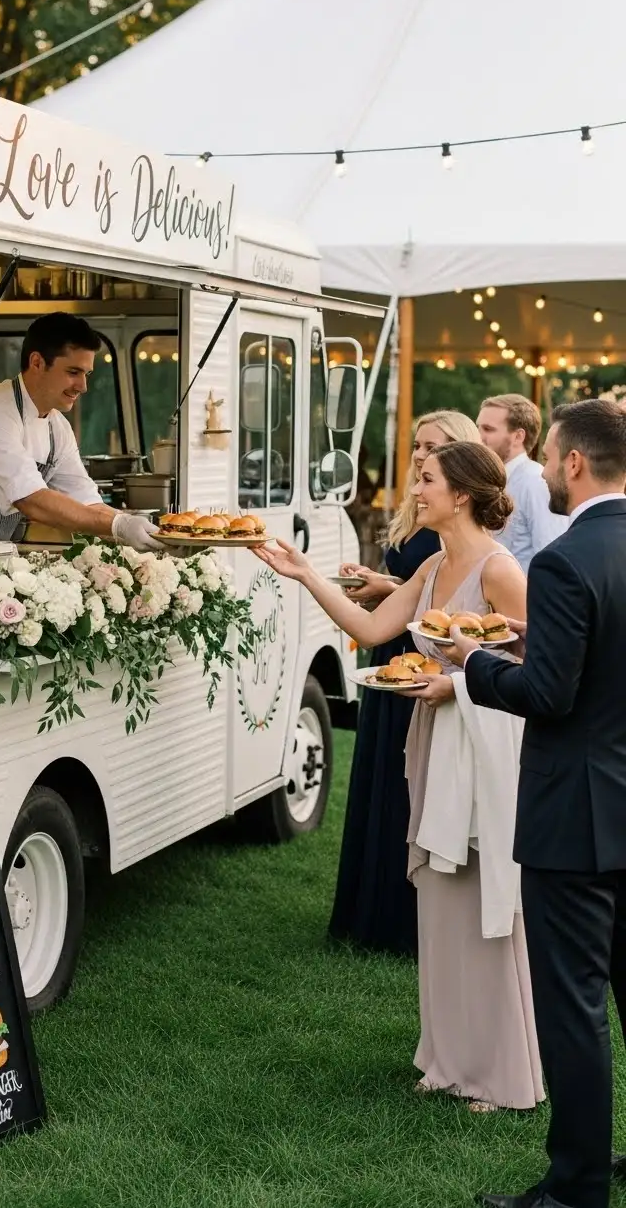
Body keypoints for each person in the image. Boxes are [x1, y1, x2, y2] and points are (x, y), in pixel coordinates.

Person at [253, 442, 544, 1112]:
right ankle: (448, 1059)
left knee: (485, 903)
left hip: (486, 750)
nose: (416, 488)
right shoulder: (434, 564)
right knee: (442, 902)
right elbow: (371, 623)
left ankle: (502, 1076)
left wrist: (456, 686)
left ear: (462, 494)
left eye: (427, 479)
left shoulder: (500, 569)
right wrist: (304, 574)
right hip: (436, 743)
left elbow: (542, 669)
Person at [451, 400, 626, 1208]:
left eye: (553, 457)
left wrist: (472, 661)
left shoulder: (564, 559)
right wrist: (537, 645)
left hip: (575, 821)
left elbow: (548, 697)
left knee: (573, 1006)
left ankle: (577, 1187)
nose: (549, 470)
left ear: (575, 463)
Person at [329, 410, 481, 958]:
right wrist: (382, 585)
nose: (419, 456)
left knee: (410, 785)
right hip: (393, 651)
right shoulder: (417, 511)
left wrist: (388, 591)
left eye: (432, 448)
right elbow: (418, 586)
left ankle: (407, 917)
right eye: (417, 446)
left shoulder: (471, 536)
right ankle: (370, 910)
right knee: (380, 776)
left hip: (431, 660)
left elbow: (458, 600)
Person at [0, 314, 160, 551]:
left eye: (86, 374)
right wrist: (118, 525)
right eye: (73, 372)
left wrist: (152, 534)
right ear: (37, 362)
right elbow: (30, 499)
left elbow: (86, 502)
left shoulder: (57, 428)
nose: (83, 387)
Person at [477, 393, 566, 570]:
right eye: (477, 427)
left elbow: (552, 553)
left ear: (518, 436)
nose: (478, 436)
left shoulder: (537, 482)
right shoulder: (484, 480)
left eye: (488, 429)